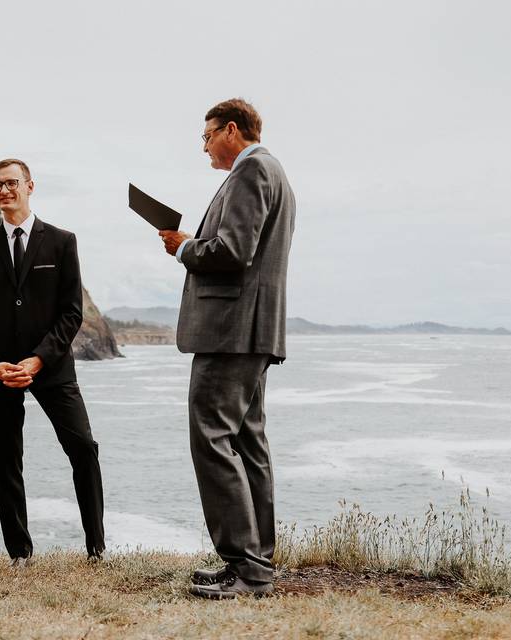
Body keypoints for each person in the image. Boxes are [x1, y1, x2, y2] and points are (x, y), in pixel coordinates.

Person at [159, 99, 295, 598]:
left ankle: (247, 565)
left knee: (212, 436)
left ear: (231, 130)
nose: (204, 145)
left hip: (231, 332)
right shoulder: (271, 171)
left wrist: (184, 247)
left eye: (207, 135)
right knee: (247, 441)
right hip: (251, 332)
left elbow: (233, 252)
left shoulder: (252, 171)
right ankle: (255, 561)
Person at [0, 158, 105, 565]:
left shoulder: (62, 242)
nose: (3, 191)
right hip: (0, 373)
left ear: (30, 185)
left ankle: (96, 547)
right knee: (6, 459)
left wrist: (39, 360)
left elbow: (71, 313)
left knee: (83, 448)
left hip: (52, 369)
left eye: (10, 183)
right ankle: (19, 553)